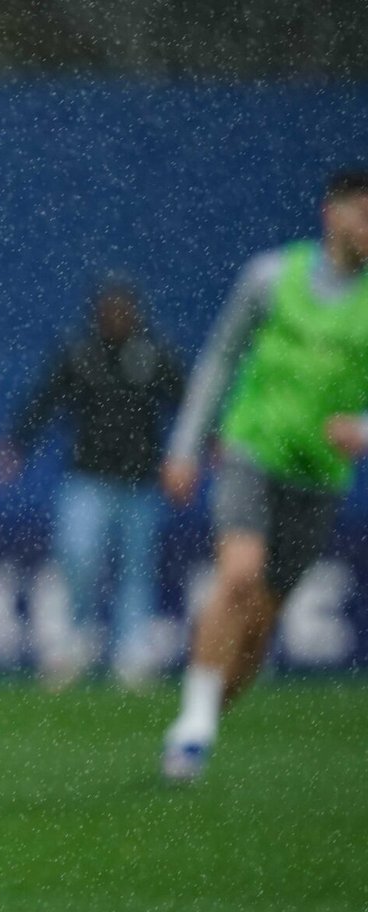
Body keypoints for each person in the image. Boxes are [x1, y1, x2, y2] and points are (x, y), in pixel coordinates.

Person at [159, 169, 368, 782]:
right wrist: (185, 446)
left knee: (261, 623)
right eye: (362, 212)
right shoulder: (271, 277)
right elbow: (220, 356)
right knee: (240, 575)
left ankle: (201, 728)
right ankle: (192, 725)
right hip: (251, 450)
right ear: (331, 214)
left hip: (319, 474)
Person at [0, 277, 184, 689]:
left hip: (140, 480)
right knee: (77, 557)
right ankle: (79, 635)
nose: (116, 317)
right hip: (86, 476)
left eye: (123, 309)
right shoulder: (80, 354)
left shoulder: (153, 354)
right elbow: (44, 399)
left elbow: (183, 400)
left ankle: (132, 649)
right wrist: (15, 444)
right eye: (109, 309)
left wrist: (197, 448)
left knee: (136, 568)